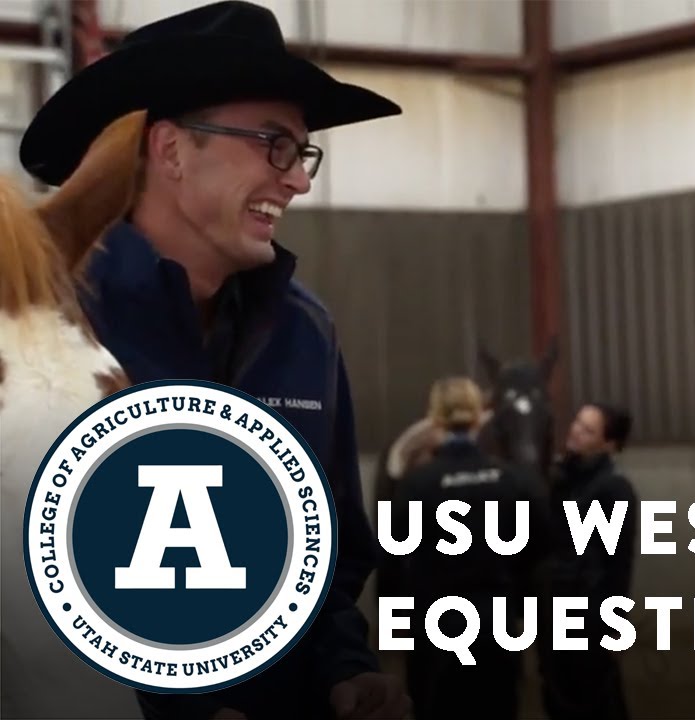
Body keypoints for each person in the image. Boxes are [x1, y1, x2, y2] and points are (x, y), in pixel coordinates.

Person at [18, 2, 410, 718]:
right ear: (170, 150)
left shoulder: (307, 334)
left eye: (303, 154)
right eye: (275, 144)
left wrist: (346, 671)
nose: (299, 181)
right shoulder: (45, 334)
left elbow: (325, 557)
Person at [387, 377, 550, 720]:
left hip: (435, 627)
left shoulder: (416, 485)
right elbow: (538, 554)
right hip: (497, 624)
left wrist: (397, 625)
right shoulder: (515, 481)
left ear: (434, 418)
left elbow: (393, 560)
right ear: (479, 417)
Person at [537, 402, 638, 720]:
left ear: (608, 444)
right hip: (554, 611)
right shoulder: (562, 480)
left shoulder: (613, 489)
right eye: (578, 423)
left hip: (589, 613)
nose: (576, 432)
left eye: (589, 430)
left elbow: (618, 561)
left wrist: (615, 623)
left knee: (595, 701)